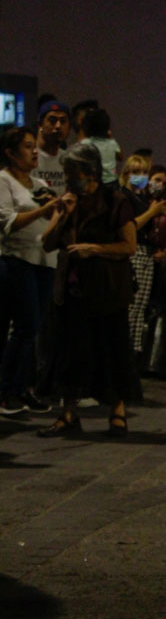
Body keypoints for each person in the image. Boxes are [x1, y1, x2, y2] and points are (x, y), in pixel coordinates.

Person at [37, 143, 138, 435]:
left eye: (74, 171)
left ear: (90, 171)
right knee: (69, 354)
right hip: (71, 292)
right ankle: (69, 414)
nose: (70, 177)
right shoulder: (69, 200)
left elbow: (128, 246)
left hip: (106, 291)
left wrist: (95, 249)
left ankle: (117, 412)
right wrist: (64, 212)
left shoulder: (115, 201)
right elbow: (47, 242)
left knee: (112, 351)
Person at [0, 126, 58, 413]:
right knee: (25, 327)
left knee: (32, 329)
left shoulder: (38, 182)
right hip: (18, 259)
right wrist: (42, 211)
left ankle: (23, 388)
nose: (34, 151)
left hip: (45, 261)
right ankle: (6, 390)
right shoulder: (4, 180)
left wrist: (61, 209)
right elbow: (7, 222)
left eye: (34, 146)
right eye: (27, 146)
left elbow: (54, 216)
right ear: (10, 153)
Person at [119, 155, 166, 361]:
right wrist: (152, 212)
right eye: (135, 172)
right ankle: (125, 351)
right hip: (134, 251)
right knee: (132, 306)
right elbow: (131, 225)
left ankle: (134, 351)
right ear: (126, 174)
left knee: (140, 307)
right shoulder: (124, 196)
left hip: (146, 252)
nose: (140, 177)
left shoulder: (140, 197)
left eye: (143, 172)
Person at [33, 100, 71, 195]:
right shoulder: (29, 157)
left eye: (63, 121)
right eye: (52, 121)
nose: (58, 126)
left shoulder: (68, 160)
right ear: (40, 124)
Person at [80, 108, 122, 186]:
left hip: (94, 182)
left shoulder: (85, 143)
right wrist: (111, 137)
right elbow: (120, 157)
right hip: (112, 182)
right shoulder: (111, 142)